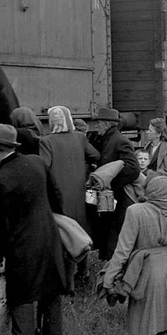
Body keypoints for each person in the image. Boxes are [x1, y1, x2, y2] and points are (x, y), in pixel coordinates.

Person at [0, 124, 66, 335]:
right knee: (51, 290)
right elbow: (56, 197)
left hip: (21, 245)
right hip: (49, 236)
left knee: (21, 294)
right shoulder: (37, 162)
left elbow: (0, 225)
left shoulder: (0, 180)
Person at [103, 172, 167, 335]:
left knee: (141, 330)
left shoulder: (135, 211)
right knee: (165, 329)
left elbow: (123, 249)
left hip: (144, 274)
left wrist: (109, 278)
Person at [39, 106, 100, 293]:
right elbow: (95, 155)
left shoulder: (46, 141)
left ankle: (68, 284)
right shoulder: (80, 138)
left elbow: (44, 166)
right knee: (81, 230)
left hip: (59, 196)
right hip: (79, 193)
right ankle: (84, 272)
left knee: (64, 236)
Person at [92, 107, 140, 260]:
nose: (97, 126)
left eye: (99, 123)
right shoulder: (108, 139)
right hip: (112, 197)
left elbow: (133, 169)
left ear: (107, 124)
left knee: (114, 231)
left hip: (119, 197)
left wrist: (113, 184)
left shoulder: (120, 141)